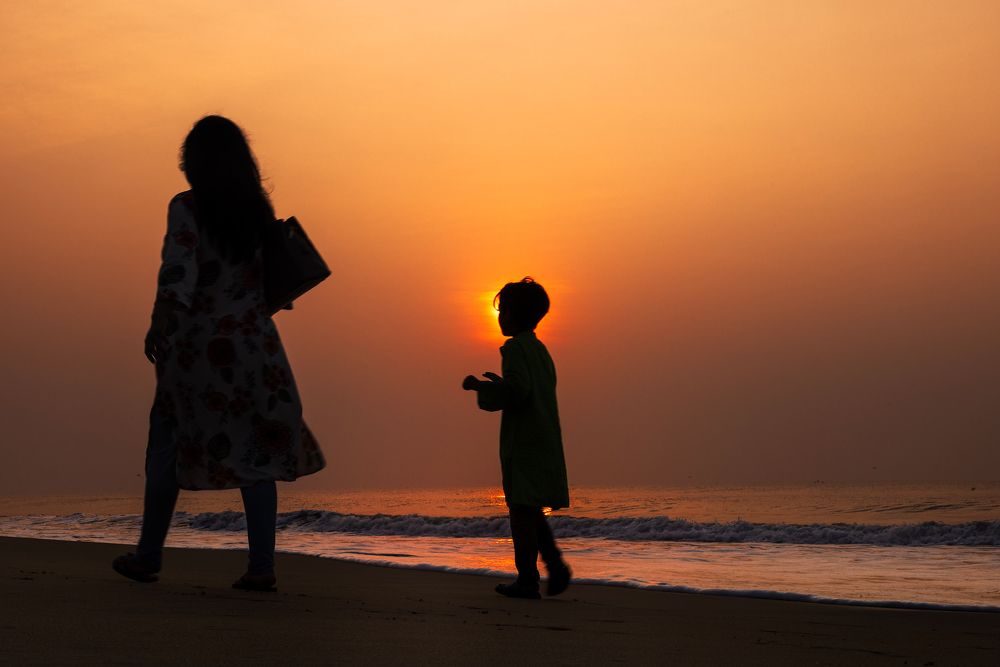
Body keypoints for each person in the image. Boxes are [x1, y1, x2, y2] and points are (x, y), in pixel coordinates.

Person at [113, 115, 325, 592]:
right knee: (258, 453)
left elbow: (178, 268)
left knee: (166, 442)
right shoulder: (258, 214)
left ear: (194, 161)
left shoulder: (188, 206)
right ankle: (262, 566)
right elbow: (273, 286)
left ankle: (148, 556)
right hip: (256, 348)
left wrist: (161, 319)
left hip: (198, 347)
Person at [462, 277, 572, 599]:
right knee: (531, 508)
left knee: (521, 512)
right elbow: (528, 389)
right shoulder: (540, 350)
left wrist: (482, 388)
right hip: (545, 439)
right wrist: (501, 384)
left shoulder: (514, 349)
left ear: (512, 314)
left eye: (503, 310)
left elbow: (518, 392)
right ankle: (555, 566)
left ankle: (527, 580)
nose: (500, 316)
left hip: (524, 444)